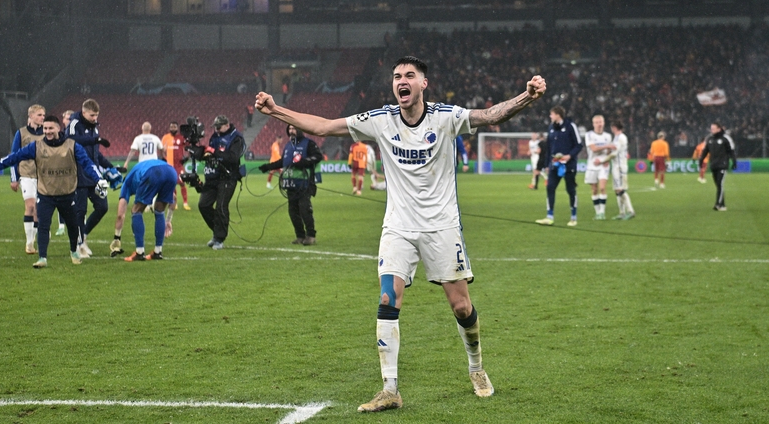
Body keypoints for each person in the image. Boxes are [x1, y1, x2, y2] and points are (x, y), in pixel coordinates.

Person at [255, 55, 546, 412]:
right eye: (396, 76)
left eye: (410, 75)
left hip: (442, 226)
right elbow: (324, 127)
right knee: (387, 299)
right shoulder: (381, 120)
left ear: (424, 83)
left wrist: (526, 97)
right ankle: (389, 389)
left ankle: (477, 368)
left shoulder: (445, 117)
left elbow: (488, 116)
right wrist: (275, 110)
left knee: (461, 306)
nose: (402, 81)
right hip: (398, 226)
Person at [0, 116, 107, 268]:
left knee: (73, 226)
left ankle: (74, 252)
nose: (47, 131)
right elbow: (14, 157)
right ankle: (42, 258)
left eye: (50, 128)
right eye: (45, 128)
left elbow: (87, 163)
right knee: (43, 225)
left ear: (58, 128)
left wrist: (98, 179)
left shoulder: (72, 146)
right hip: (45, 194)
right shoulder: (36, 146)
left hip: (67, 194)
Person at [66, 99, 118, 258]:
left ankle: (84, 236)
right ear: (84, 112)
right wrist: (96, 139)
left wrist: (110, 166)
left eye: (96, 115)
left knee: (102, 207)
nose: (95, 118)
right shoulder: (74, 123)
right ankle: (78, 246)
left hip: (94, 175)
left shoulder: (94, 127)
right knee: (80, 211)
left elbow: (95, 154)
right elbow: (71, 141)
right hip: (78, 173)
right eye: (92, 115)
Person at [258, 124, 323, 245]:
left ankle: (311, 236)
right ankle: (300, 236)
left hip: (304, 183)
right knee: (293, 212)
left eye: (294, 129)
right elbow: (283, 161)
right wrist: (268, 166)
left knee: (305, 210)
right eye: (290, 129)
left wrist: (304, 162)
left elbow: (318, 156)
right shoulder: (288, 146)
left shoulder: (309, 143)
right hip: (290, 184)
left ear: (299, 130)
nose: (292, 131)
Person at [110, 159, 177, 261]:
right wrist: (168, 220)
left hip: (152, 172)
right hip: (171, 172)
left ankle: (139, 252)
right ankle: (157, 252)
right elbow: (174, 198)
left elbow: (120, 215)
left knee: (136, 211)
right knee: (159, 210)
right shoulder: (136, 172)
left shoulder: (126, 184)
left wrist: (117, 238)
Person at [197, 115, 245, 250]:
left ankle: (219, 238)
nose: (216, 130)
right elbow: (211, 154)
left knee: (221, 206)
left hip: (228, 177)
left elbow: (233, 158)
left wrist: (214, 152)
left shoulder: (237, 138)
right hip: (213, 176)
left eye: (218, 127)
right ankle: (217, 231)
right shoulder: (215, 136)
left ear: (227, 125)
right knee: (203, 205)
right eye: (215, 127)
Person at [536, 106, 583, 227]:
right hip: (554, 165)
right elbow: (549, 148)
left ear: (558, 115)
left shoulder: (570, 126)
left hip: (569, 165)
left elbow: (579, 145)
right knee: (550, 188)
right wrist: (547, 165)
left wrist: (569, 156)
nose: (550, 116)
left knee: (570, 190)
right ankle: (549, 216)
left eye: (551, 114)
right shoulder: (551, 128)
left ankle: (573, 217)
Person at [10, 104, 45, 254]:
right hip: (27, 175)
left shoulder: (47, 132)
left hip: (43, 177)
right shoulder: (21, 133)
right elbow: (13, 156)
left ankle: (33, 242)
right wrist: (14, 178)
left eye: (43, 115)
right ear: (30, 116)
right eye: (39, 115)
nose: (42, 118)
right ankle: (29, 243)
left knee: (38, 210)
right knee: (30, 207)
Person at [599, 122, 635, 220]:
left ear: (614, 127)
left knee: (620, 189)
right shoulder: (616, 138)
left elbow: (614, 154)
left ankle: (631, 211)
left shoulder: (621, 138)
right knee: (617, 190)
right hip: (616, 167)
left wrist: (602, 160)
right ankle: (622, 213)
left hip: (620, 167)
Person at [699, 122, 737, 211]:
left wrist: (734, 161)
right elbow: (705, 151)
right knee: (718, 185)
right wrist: (701, 160)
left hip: (722, 165)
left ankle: (718, 204)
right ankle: (722, 205)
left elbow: (731, 151)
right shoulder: (710, 139)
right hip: (713, 165)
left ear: (719, 129)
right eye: (711, 128)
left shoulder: (726, 138)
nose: (711, 130)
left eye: (713, 128)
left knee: (720, 184)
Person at [584, 115, 612, 220]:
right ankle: (597, 212)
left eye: (601, 122)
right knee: (594, 190)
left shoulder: (608, 136)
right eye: (597, 122)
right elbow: (594, 149)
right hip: (592, 165)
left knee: (602, 188)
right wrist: (607, 146)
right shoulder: (589, 135)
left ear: (604, 123)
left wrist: (606, 159)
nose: (599, 124)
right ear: (593, 124)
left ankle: (602, 212)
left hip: (603, 166)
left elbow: (609, 152)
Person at [162, 120, 191, 211]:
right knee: (172, 183)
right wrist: (164, 159)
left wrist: (186, 157)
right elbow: (162, 150)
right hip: (170, 165)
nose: (172, 128)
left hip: (179, 165)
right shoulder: (165, 137)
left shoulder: (181, 138)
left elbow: (189, 147)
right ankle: (175, 203)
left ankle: (185, 203)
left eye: (174, 127)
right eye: (171, 127)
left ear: (177, 128)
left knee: (182, 183)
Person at [54, 109, 75, 236]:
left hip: (73, 171)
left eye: (71, 119)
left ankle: (75, 224)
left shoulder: (75, 134)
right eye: (67, 118)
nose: (69, 121)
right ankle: (61, 225)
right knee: (61, 197)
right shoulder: (60, 135)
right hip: (61, 170)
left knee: (75, 199)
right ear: (63, 120)